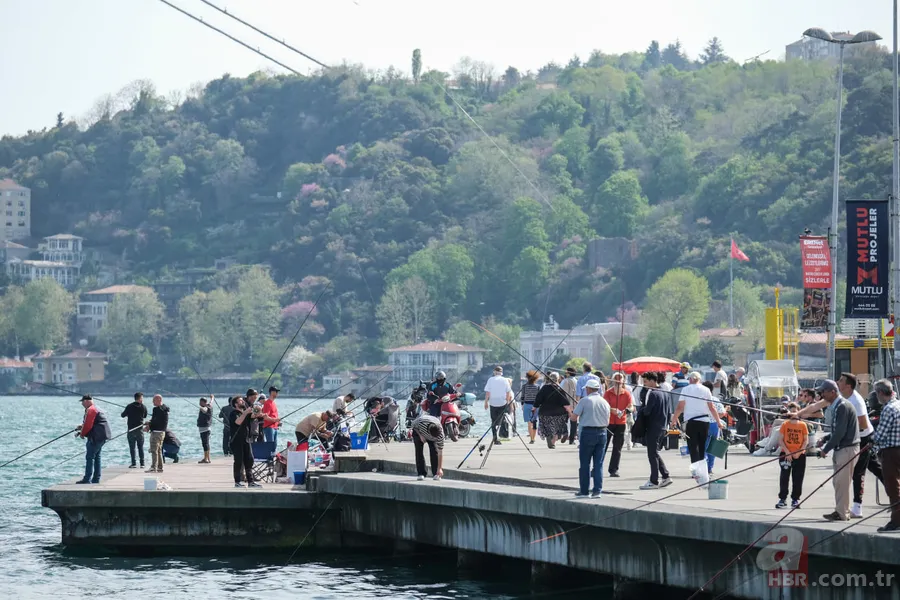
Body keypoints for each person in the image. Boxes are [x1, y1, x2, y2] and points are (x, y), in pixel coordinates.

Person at [816, 380, 861, 522]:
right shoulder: (839, 406)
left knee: (842, 482)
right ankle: (840, 510)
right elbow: (838, 430)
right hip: (842, 448)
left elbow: (840, 432)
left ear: (832, 392)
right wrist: (825, 439)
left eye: (823, 392)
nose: (821, 394)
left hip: (847, 449)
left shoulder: (842, 406)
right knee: (838, 482)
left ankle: (842, 513)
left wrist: (825, 449)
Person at [837, 373, 876, 518]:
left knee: (858, 473)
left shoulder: (856, 401)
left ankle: (857, 508)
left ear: (848, 385)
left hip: (863, 438)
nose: (838, 382)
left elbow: (863, 425)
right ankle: (896, 498)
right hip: (857, 438)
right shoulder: (844, 397)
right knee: (876, 468)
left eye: (840, 381)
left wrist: (845, 433)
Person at [671, 372, 724, 467]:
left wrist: (674, 420)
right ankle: (703, 467)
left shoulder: (686, 389)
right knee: (702, 446)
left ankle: (696, 468)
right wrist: (718, 422)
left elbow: (680, 407)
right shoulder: (706, 390)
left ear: (690, 379)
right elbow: (712, 407)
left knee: (693, 446)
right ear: (699, 380)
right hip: (704, 422)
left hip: (691, 422)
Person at [570, 377, 610, 498]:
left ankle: (584, 491)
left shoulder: (584, 401)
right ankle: (597, 490)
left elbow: (573, 418)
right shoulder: (605, 402)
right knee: (598, 463)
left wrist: (569, 411)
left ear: (588, 389)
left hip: (588, 433)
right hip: (603, 432)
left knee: (585, 463)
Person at [871, 378, 900, 533]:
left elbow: (880, 435)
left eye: (876, 393)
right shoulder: (899, 404)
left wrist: (870, 441)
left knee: (893, 487)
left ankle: (896, 522)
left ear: (881, 393)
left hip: (890, 453)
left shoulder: (888, 409)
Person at [638, 373, 672, 489]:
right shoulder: (664, 392)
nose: (644, 384)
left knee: (651, 454)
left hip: (653, 427)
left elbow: (647, 412)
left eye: (645, 382)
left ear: (653, 381)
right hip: (662, 427)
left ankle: (654, 481)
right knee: (655, 453)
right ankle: (666, 476)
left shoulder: (653, 394)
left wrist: (642, 408)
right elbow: (668, 411)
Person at [776, 402, 808, 509]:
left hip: (799, 455)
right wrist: (787, 452)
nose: (794, 413)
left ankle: (795, 499)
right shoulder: (785, 424)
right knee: (784, 477)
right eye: (792, 411)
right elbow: (780, 440)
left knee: (798, 477)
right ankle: (782, 498)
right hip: (786, 454)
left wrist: (799, 452)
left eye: (796, 411)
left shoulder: (803, 425)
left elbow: (805, 441)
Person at [75, 395, 111, 484]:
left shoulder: (90, 409)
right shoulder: (96, 408)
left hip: (96, 437)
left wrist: (82, 434)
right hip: (102, 436)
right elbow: (93, 423)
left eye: (82, 402)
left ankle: (87, 479)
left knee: (90, 457)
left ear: (87, 401)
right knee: (97, 457)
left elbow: (88, 425)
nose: (82, 404)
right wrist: (81, 428)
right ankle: (96, 479)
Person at [604, 372, 634, 477]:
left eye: (620, 380)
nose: (618, 382)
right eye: (616, 380)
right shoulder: (608, 393)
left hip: (621, 423)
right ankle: (596, 468)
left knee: (617, 447)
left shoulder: (626, 393)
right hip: (609, 422)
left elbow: (631, 406)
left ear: (623, 382)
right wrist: (613, 410)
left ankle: (614, 469)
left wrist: (627, 410)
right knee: (603, 446)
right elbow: (605, 406)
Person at [228, 396, 260, 488]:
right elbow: (238, 422)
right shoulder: (233, 413)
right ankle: (237, 482)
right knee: (238, 461)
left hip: (246, 440)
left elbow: (255, 415)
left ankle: (251, 482)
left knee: (249, 460)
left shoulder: (245, 413)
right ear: (236, 404)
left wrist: (257, 408)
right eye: (240, 401)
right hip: (236, 441)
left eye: (242, 400)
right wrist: (246, 412)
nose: (243, 402)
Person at [534, 371, 570, 448]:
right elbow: (566, 402)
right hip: (559, 412)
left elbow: (538, 399)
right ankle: (562, 434)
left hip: (545, 411)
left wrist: (535, 407)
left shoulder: (544, 388)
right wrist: (569, 411)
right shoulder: (560, 389)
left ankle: (550, 440)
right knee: (558, 426)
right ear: (558, 379)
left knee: (547, 427)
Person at [702, 381, 727, 475]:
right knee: (712, 448)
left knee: (702, 447)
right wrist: (716, 418)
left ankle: (703, 467)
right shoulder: (715, 399)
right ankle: (709, 468)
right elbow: (722, 412)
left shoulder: (700, 400)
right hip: (714, 425)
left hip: (703, 424)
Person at [484, 366, 513, 443]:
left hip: (493, 403)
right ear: (501, 372)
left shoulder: (490, 380)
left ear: (494, 372)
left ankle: (495, 437)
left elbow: (487, 392)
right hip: (502, 403)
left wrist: (486, 402)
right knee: (500, 420)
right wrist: (507, 401)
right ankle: (500, 436)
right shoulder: (504, 380)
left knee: (493, 421)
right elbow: (508, 392)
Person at [411, 414, 445, 481]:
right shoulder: (421, 423)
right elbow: (413, 425)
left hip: (431, 429)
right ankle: (421, 473)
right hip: (419, 431)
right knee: (418, 451)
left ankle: (436, 473)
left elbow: (440, 452)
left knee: (434, 450)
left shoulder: (440, 435)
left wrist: (440, 468)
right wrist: (420, 435)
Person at [121, 392, 147, 469]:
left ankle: (133, 463)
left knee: (132, 448)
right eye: (142, 398)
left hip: (131, 430)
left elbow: (122, 415)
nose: (143, 400)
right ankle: (142, 463)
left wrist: (129, 413)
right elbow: (145, 416)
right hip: (139, 430)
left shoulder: (129, 406)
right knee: (140, 447)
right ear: (140, 398)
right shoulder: (143, 407)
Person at [145, 394, 169, 473]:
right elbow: (156, 419)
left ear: (159, 399)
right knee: (158, 450)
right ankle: (160, 467)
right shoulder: (165, 409)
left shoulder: (156, 409)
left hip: (156, 433)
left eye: (154, 400)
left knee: (154, 450)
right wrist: (149, 423)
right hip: (162, 432)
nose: (153, 402)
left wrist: (148, 424)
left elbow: (155, 421)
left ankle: (153, 467)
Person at [521, 370, 541, 444]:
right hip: (535, 406)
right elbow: (539, 397)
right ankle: (533, 438)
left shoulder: (524, 386)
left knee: (529, 423)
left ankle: (531, 438)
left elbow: (522, 396)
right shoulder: (537, 386)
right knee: (534, 421)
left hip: (526, 405)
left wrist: (522, 405)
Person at [562, 367, 579, 445]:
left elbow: (562, 393)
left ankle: (565, 432)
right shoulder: (577, 381)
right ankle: (572, 439)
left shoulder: (565, 381)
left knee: (563, 420)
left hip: (566, 405)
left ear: (568, 373)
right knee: (574, 422)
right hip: (575, 404)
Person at [197, 397, 213, 464]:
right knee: (206, 444)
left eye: (200, 402)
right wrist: (212, 398)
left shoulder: (206, 407)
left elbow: (205, 410)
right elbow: (211, 402)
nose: (199, 403)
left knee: (205, 444)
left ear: (204, 402)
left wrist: (201, 408)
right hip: (206, 428)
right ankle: (208, 458)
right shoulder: (209, 405)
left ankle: (206, 459)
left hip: (204, 429)